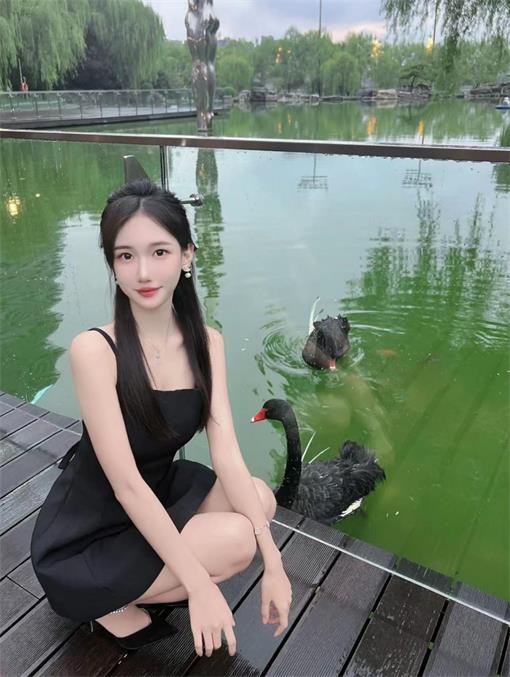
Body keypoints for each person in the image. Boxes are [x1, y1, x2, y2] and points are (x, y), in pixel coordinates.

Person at [30, 179, 292, 656]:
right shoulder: (95, 350)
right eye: (126, 256)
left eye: (160, 252)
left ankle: (139, 584)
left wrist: (275, 564)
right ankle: (107, 601)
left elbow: (226, 453)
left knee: (258, 499)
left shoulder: (207, 343)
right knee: (237, 541)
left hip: (157, 492)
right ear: (112, 264)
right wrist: (200, 586)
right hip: (89, 531)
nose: (144, 272)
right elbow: (126, 485)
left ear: (187, 255)